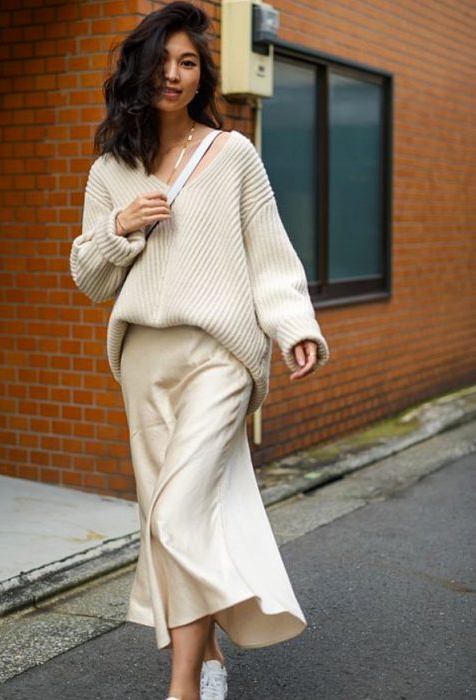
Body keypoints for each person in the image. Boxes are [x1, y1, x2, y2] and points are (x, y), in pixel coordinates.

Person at [69, 3, 330, 698]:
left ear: (202, 75)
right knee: (164, 518)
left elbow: (269, 257)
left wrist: (293, 326)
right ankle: (209, 652)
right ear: (137, 71)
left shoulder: (231, 154)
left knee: (180, 512)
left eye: (188, 62)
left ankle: (182, 684)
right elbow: (90, 280)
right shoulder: (110, 172)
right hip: (144, 363)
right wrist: (119, 227)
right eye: (163, 61)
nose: (174, 74)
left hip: (219, 354)